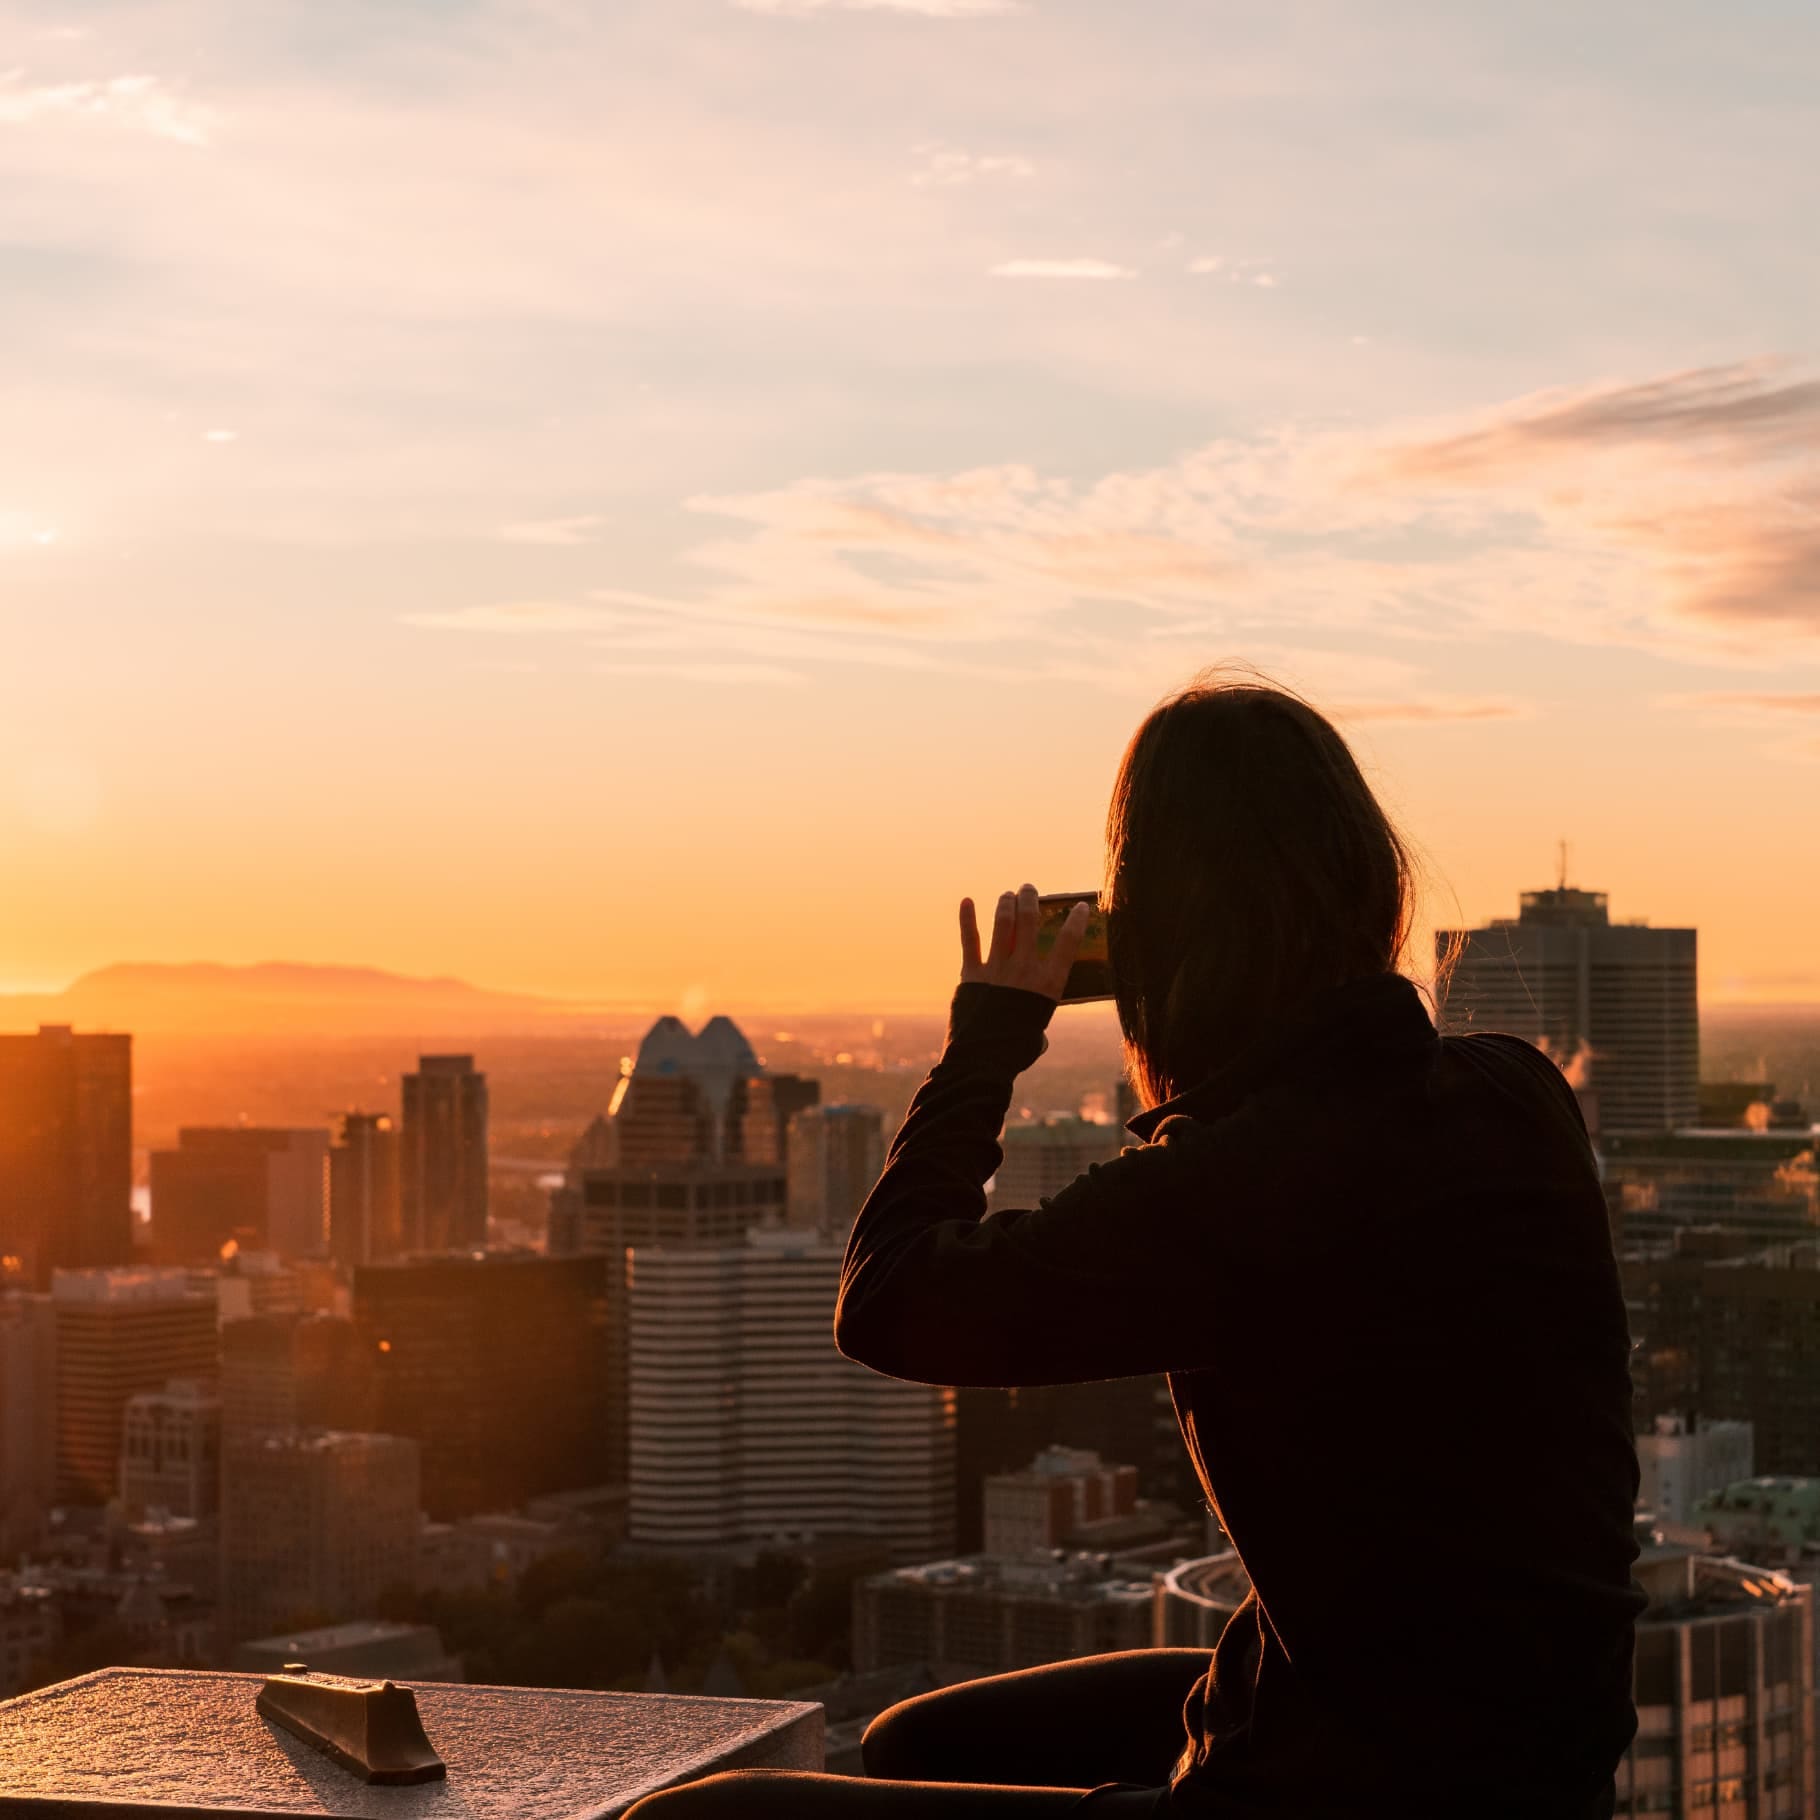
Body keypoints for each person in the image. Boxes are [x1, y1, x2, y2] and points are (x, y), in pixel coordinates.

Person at [623, 674, 1645, 1820]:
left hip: (1358, 1790)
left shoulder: (1237, 1181)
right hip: (1523, 1755)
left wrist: (988, 1035)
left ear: (1162, 927)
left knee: (698, 1819)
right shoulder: (1515, 1090)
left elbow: (888, 1298)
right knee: (919, 1734)